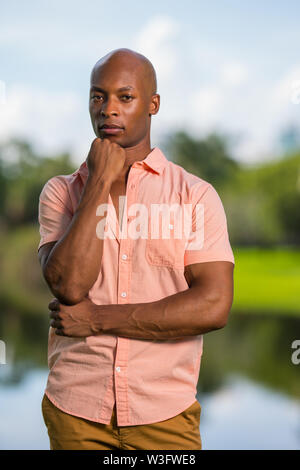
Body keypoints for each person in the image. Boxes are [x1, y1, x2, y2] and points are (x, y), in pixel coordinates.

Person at [38, 48, 235, 450]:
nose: (109, 109)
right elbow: (69, 287)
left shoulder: (194, 196)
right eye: (98, 96)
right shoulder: (61, 192)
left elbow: (213, 305)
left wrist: (96, 320)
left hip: (165, 414)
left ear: (153, 104)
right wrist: (98, 181)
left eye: (124, 97)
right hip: (75, 412)